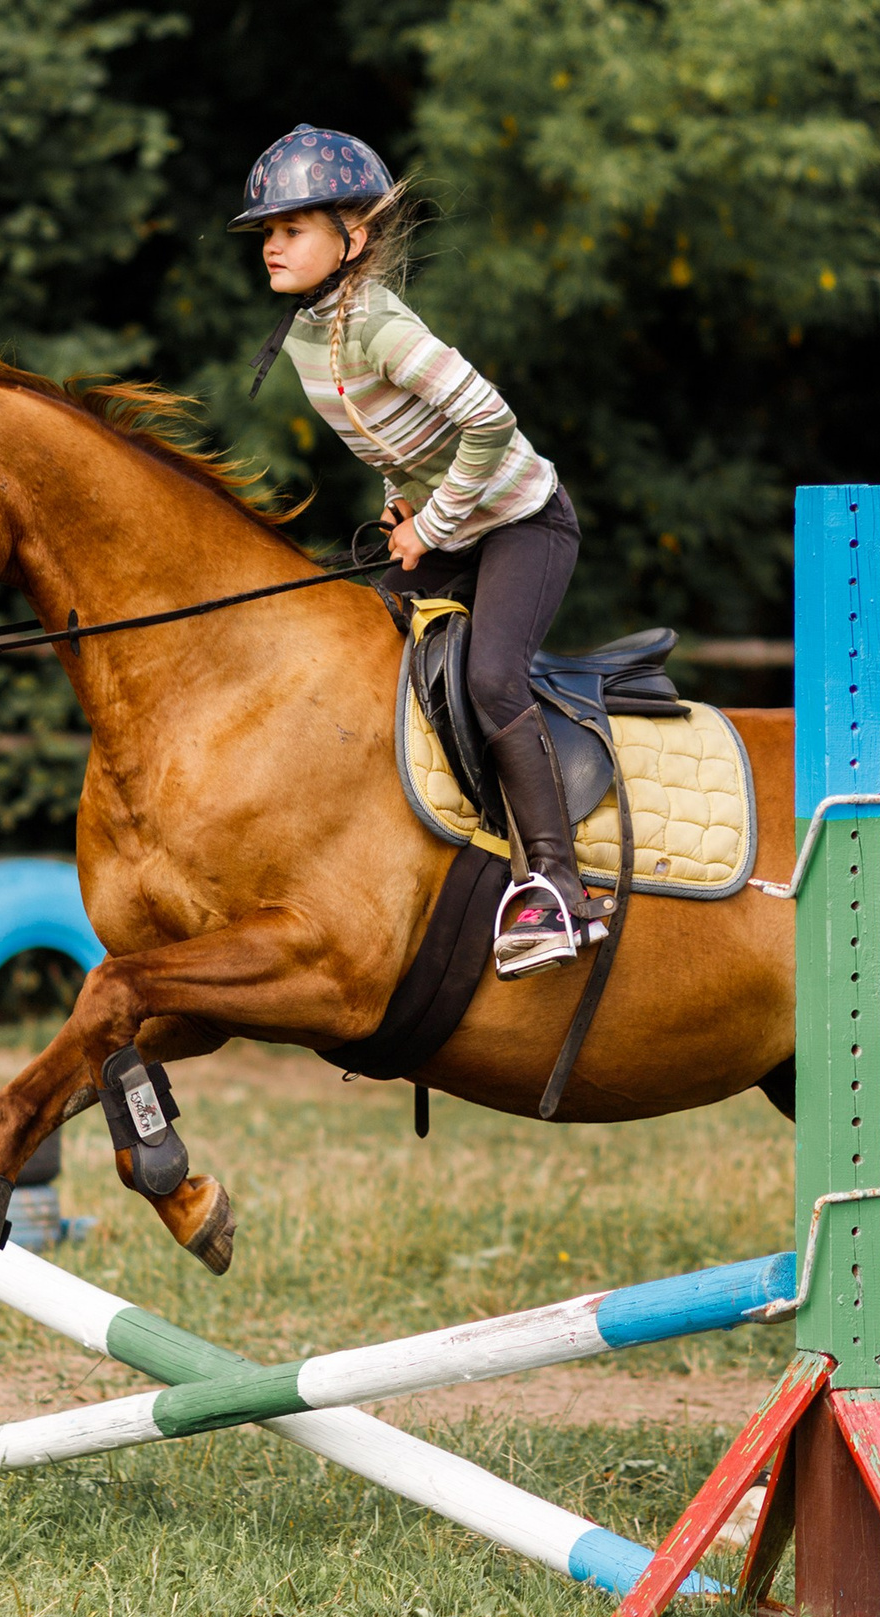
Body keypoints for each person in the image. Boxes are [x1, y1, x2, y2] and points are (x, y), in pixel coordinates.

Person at [234, 123, 604, 980]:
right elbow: (388, 434)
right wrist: (396, 498)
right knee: (366, 658)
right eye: (267, 232)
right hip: (451, 520)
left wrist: (429, 527)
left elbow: (491, 421)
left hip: (524, 523)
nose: (272, 245)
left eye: (292, 229)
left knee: (491, 679)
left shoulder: (379, 325)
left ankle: (559, 888)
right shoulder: (306, 333)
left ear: (352, 239)